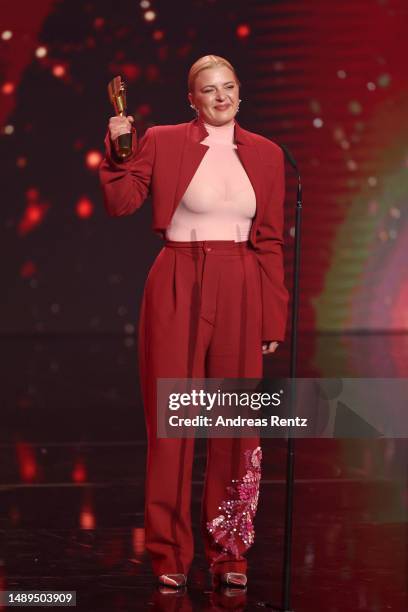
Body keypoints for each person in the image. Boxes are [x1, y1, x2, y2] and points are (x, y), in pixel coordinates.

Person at [99, 54, 289, 590]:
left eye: (229, 86)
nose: (221, 97)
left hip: (242, 283)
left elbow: (270, 239)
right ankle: (169, 554)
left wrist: (271, 316)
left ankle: (230, 552)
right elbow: (121, 201)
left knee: (235, 423)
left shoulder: (270, 155)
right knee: (174, 422)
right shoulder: (162, 139)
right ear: (192, 98)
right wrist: (120, 148)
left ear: (240, 92)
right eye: (209, 90)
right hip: (178, 279)